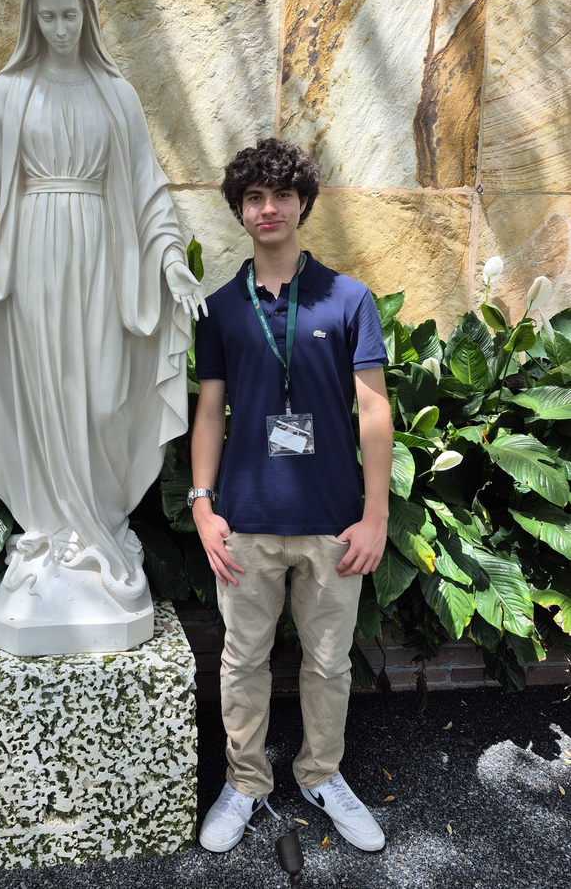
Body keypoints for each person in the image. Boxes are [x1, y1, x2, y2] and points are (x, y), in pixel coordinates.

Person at [0, 0, 206, 611]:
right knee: (46, 392)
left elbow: (145, 189)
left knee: (102, 397)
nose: (58, 28)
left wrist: (171, 263)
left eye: (69, 14)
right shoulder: (6, 95)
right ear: (31, 18)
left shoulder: (116, 95)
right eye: (46, 16)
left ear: (88, 13)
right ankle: (52, 534)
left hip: (103, 263)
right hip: (31, 262)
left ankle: (98, 528)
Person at [190, 138, 392, 853]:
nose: (266, 208)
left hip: (332, 523)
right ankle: (244, 782)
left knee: (327, 664)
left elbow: (373, 409)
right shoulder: (219, 308)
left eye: (279, 195)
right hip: (244, 523)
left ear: (302, 203)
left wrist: (374, 516)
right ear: (239, 211)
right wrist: (201, 505)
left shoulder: (349, 299)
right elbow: (209, 412)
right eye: (252, 198)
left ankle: (320, 774)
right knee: (241, 664)